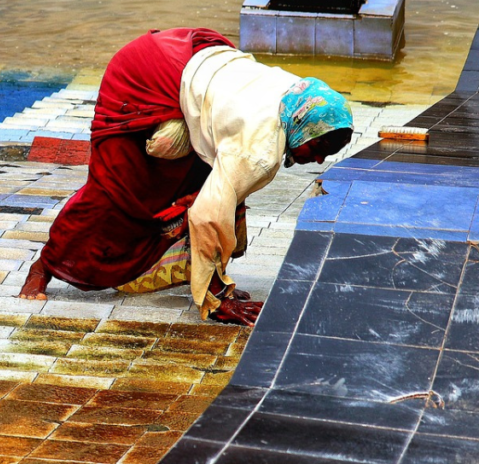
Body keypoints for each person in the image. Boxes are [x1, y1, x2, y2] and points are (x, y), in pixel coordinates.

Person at [18, 28, 353, 326]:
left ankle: (206, 276)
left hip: (184, 54)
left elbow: (217, 199)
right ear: (304, 126)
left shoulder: (299, 95)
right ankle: (44, 266)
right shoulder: (258, 151)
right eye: (319, 147)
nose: (318, 159)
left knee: (192, 185)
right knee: (117, 193)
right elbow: (210, 218)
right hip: (143, 76)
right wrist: (215, 301)